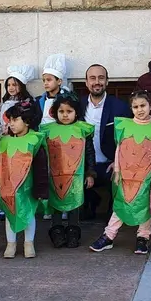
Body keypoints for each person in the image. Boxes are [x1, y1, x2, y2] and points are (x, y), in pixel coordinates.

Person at [89, 91, 151, 255]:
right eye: (135, 106)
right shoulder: (123, 125)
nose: (140, 110)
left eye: (143, 106)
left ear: (150, 106)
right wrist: (117, 169)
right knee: (120, 204)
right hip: (125, 174)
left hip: (147, 176)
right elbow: (119, 149)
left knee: (145, 206)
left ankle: (143, 237)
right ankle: (109, 235)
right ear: (131, 108)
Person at [0, 102, 49, 259]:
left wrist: (41, 189)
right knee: (9, 213)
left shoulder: (35, 140)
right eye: (9, 120)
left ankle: (28, 243)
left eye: (15, 120)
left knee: (28, 214)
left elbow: (41, 167)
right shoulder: (3, 141)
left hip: (28, 188)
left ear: (27, 121)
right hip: (9, 187)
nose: (11, 123)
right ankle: (10, 244)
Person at [41, 91, 94, 249]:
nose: (65, 115)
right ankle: (56, 231)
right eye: (61, 111)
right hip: (54, 176)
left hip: (76, 177)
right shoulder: (47, 130)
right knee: (56, 203)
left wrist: (90, 173)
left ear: (76, 112)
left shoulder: (82, 130)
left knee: (74, 203)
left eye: (69, 111)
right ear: (55, 112)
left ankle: (73, 232)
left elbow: (90, 152)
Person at [83, 64, 131, 219]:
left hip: (108, 164)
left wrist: (118, 161)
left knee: (110, 216)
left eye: (101, 78)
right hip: (84, 165)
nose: (97, 82)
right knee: (84, 216)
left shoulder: (120, 107)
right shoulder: (78, 106)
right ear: (86, 82)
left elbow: (127, 138)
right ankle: (90, 202)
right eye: (92, 78)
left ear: (107, 81)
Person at [0, 65, 37, 131]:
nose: (11, 88)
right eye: (8, 85)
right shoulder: (5, 100)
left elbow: (27, 121)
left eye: (14, 85)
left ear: (21, 85)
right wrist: (1, 129)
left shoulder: (27, 101)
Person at [37, 53, 68, 126]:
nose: (45, 83)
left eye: (49, 80)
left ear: (59, 81)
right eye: (44, 80)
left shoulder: (67, 99)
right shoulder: (39, 101)